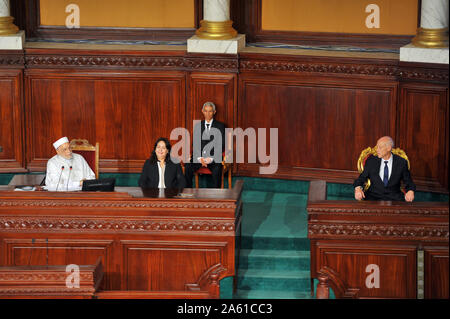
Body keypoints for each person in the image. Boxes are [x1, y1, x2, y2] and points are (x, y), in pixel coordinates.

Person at [354, 136, 416, 202]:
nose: (377, 150)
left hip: (394, 199)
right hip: (373, 198)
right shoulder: (371, 161)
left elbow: (409, 182)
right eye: (377, 147)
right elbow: (361, 178)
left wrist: (410, 191)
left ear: (389, 148)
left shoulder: (401, 162)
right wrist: (358, 189)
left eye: (380, 147)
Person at [184, 101, 225, 188]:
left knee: (217, 169)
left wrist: (210, 158)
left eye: (210, 111)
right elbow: (195, 144)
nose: (208, 113)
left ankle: (216, 196)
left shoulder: (220, 126)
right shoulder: (198, 126)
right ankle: (187, 193)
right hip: (199, 157)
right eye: (206, 111)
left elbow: (221, 145)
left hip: (213, 157)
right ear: (202, 111)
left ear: (214, 112)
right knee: (187, 166)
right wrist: (200, 158)